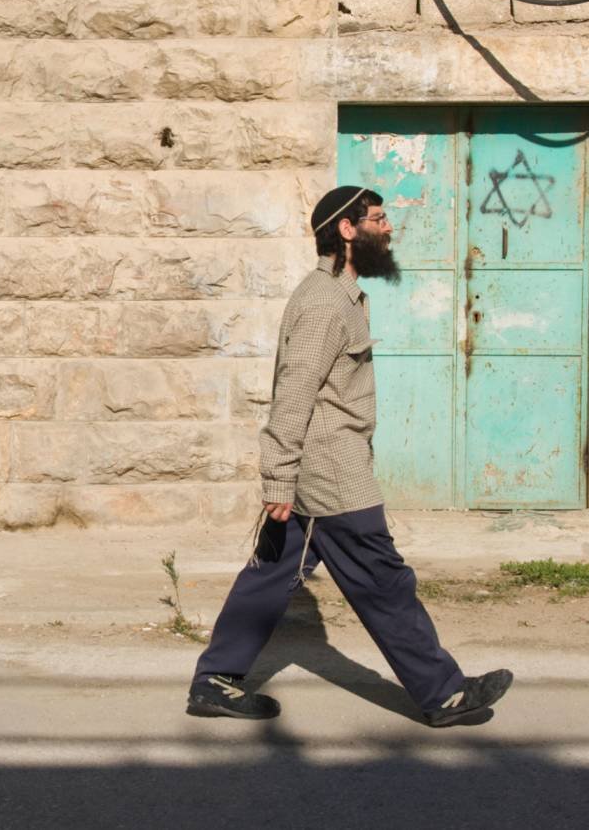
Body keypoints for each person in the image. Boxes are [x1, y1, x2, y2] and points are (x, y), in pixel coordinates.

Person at [185, 185, 513, 728]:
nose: (388, 229)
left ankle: (216, 681)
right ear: (346, 229)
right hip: (332, 471)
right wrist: (279, 479)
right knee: (382, 579)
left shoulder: (343, 297)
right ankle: (444, 694)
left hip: (323, 465)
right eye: (379, 220)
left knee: (272, 570)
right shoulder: (322, 304)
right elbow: (294, 394)